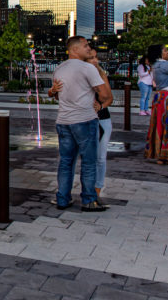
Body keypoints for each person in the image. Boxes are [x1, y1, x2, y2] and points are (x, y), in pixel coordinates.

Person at [48, 36, 112, 212]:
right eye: (85, 46)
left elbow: (55, 93)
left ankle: (62, 198)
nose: (89, 49)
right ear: (74, 49)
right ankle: (89, 200)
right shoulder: (87, 68)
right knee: (89, 161)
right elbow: (106, 95)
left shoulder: (59, 68)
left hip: (63, 121)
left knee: (66, 161)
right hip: (84, 120)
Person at [86, 47, 113, 202]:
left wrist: (101, 106)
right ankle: (88, 188)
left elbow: (109, 98)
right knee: (88, 157)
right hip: (85, 120)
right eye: (91, 58)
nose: (95, 61)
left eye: (96, 58)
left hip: (102, 120)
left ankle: (97, 188)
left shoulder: (102, 75)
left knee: (101, 157)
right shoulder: (81, 75)